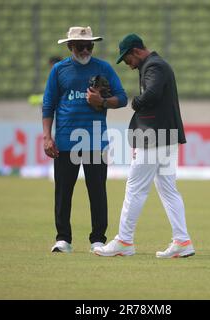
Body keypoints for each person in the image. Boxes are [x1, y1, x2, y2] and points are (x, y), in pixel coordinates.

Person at [94, 34, 195, 258]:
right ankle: (182, 240)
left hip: (155, 137)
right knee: (168, 190)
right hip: (165, 137)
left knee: (135, 188)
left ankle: (124, 241)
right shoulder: (156, 65)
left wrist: (135, 102)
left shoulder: (154, 66)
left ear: (136, 51)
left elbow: (151, 95)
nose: (128, 65)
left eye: (127, 59)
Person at [42, 26, 128, 253]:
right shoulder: (59, 70)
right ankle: (63, 239)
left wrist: (102, 101)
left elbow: (122, 98)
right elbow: (48, 105)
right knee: (63, 192)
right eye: (80, 46)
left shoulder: (104, 68)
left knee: (97, 191)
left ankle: (98, 240)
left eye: (89, 45)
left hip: (96, 142)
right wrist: (47, 137)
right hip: (65, 141)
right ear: (70, 46)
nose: (85, 49)